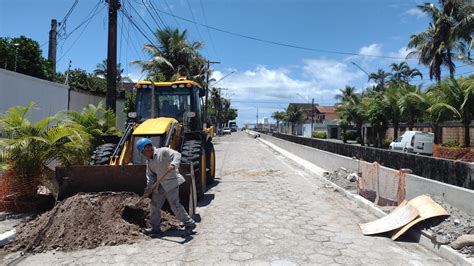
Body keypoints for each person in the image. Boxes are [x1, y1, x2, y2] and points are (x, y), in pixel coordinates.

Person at [136, 138, 196, 235]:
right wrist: (148, 188)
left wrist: (173, 164)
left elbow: (177, 155)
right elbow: (150, 176)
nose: (146, 153)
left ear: (149, 147)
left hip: (171, 182)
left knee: (175, 205)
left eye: (147, 149)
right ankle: (155, 228)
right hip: (160, 186)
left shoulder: (163, 151)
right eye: (143, 152)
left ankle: (189, 224)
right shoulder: (149, 162)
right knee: (154, 206)